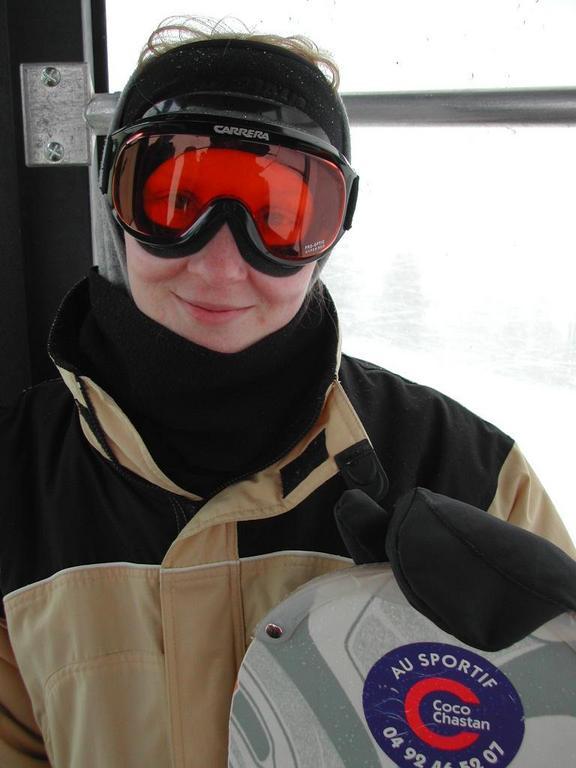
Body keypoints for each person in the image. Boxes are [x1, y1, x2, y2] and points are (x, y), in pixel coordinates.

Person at [0, 16, 574, 768]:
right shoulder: (16, 481)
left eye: (282, 215)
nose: (222, 261)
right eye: (175, 198)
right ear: (115, 196)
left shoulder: (465, 472)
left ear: (333, 236)